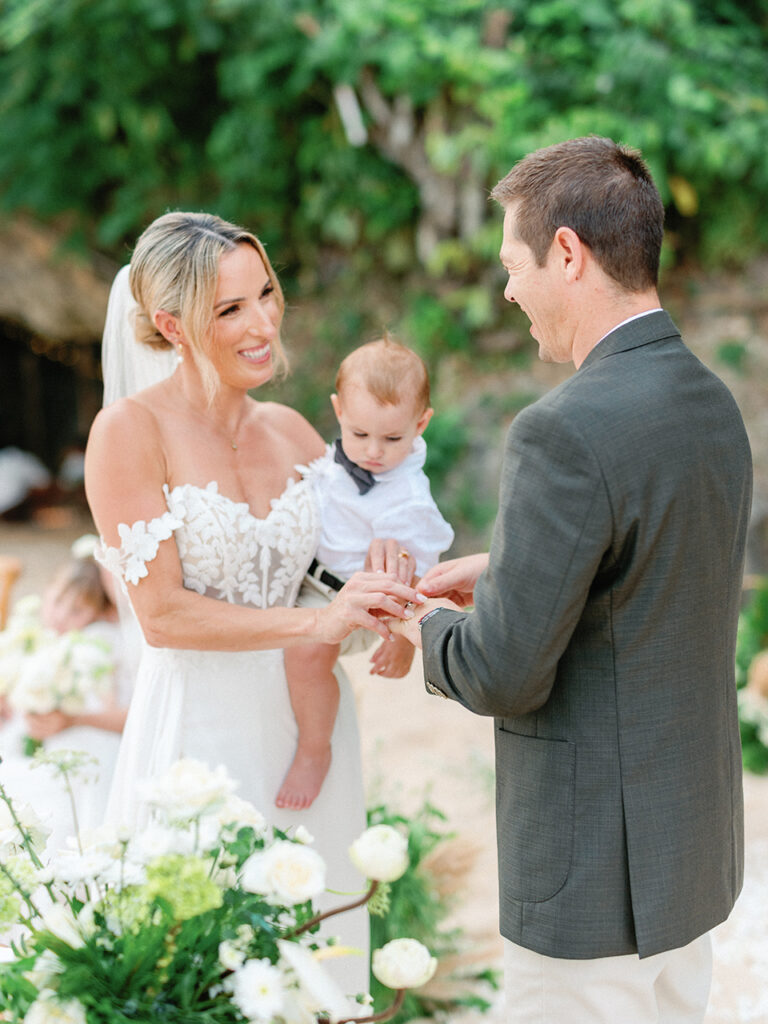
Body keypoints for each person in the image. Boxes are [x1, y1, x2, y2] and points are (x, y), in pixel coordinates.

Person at [393, 136, 752, 1023]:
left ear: (567, 253)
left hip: (590, 881)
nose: (509, 289)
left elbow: (507, 671)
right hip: (686, 860)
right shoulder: (712, 401)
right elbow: (651, 578)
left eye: (515, 264)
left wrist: (417, 627)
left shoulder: (561, 430)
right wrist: (511, 570)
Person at [84, 212, 420, 991]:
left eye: (266, 293)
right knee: (206, 976)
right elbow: (162, 616)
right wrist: (320, 619)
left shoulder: (296, 432)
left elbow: (338, 578)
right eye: (230, 309)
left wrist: (388, 618)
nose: (264, 322)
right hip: (201, 744)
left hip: (315, 738)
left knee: (321, 974)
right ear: (170, 324)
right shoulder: (128, 432)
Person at [278, 338, 454, 810]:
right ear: (338, 412)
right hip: (305, 579)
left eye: (393, 439)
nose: (373, 451)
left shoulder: (409, 499)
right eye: (359, 435)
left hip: (356, 602)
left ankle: (315, 750)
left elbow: (419, 575)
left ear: (421, 425)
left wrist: (400, 640)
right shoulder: (333, 461)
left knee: (306, 654)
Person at [0, 543, 131, 854]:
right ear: (47, 591)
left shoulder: (97, 645)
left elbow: (115, 709)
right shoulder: (35, 637)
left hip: (84, 742)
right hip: (34, 737)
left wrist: (69, 719)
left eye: (77, 610)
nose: (61, 616)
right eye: (57, 601)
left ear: (100, 614)